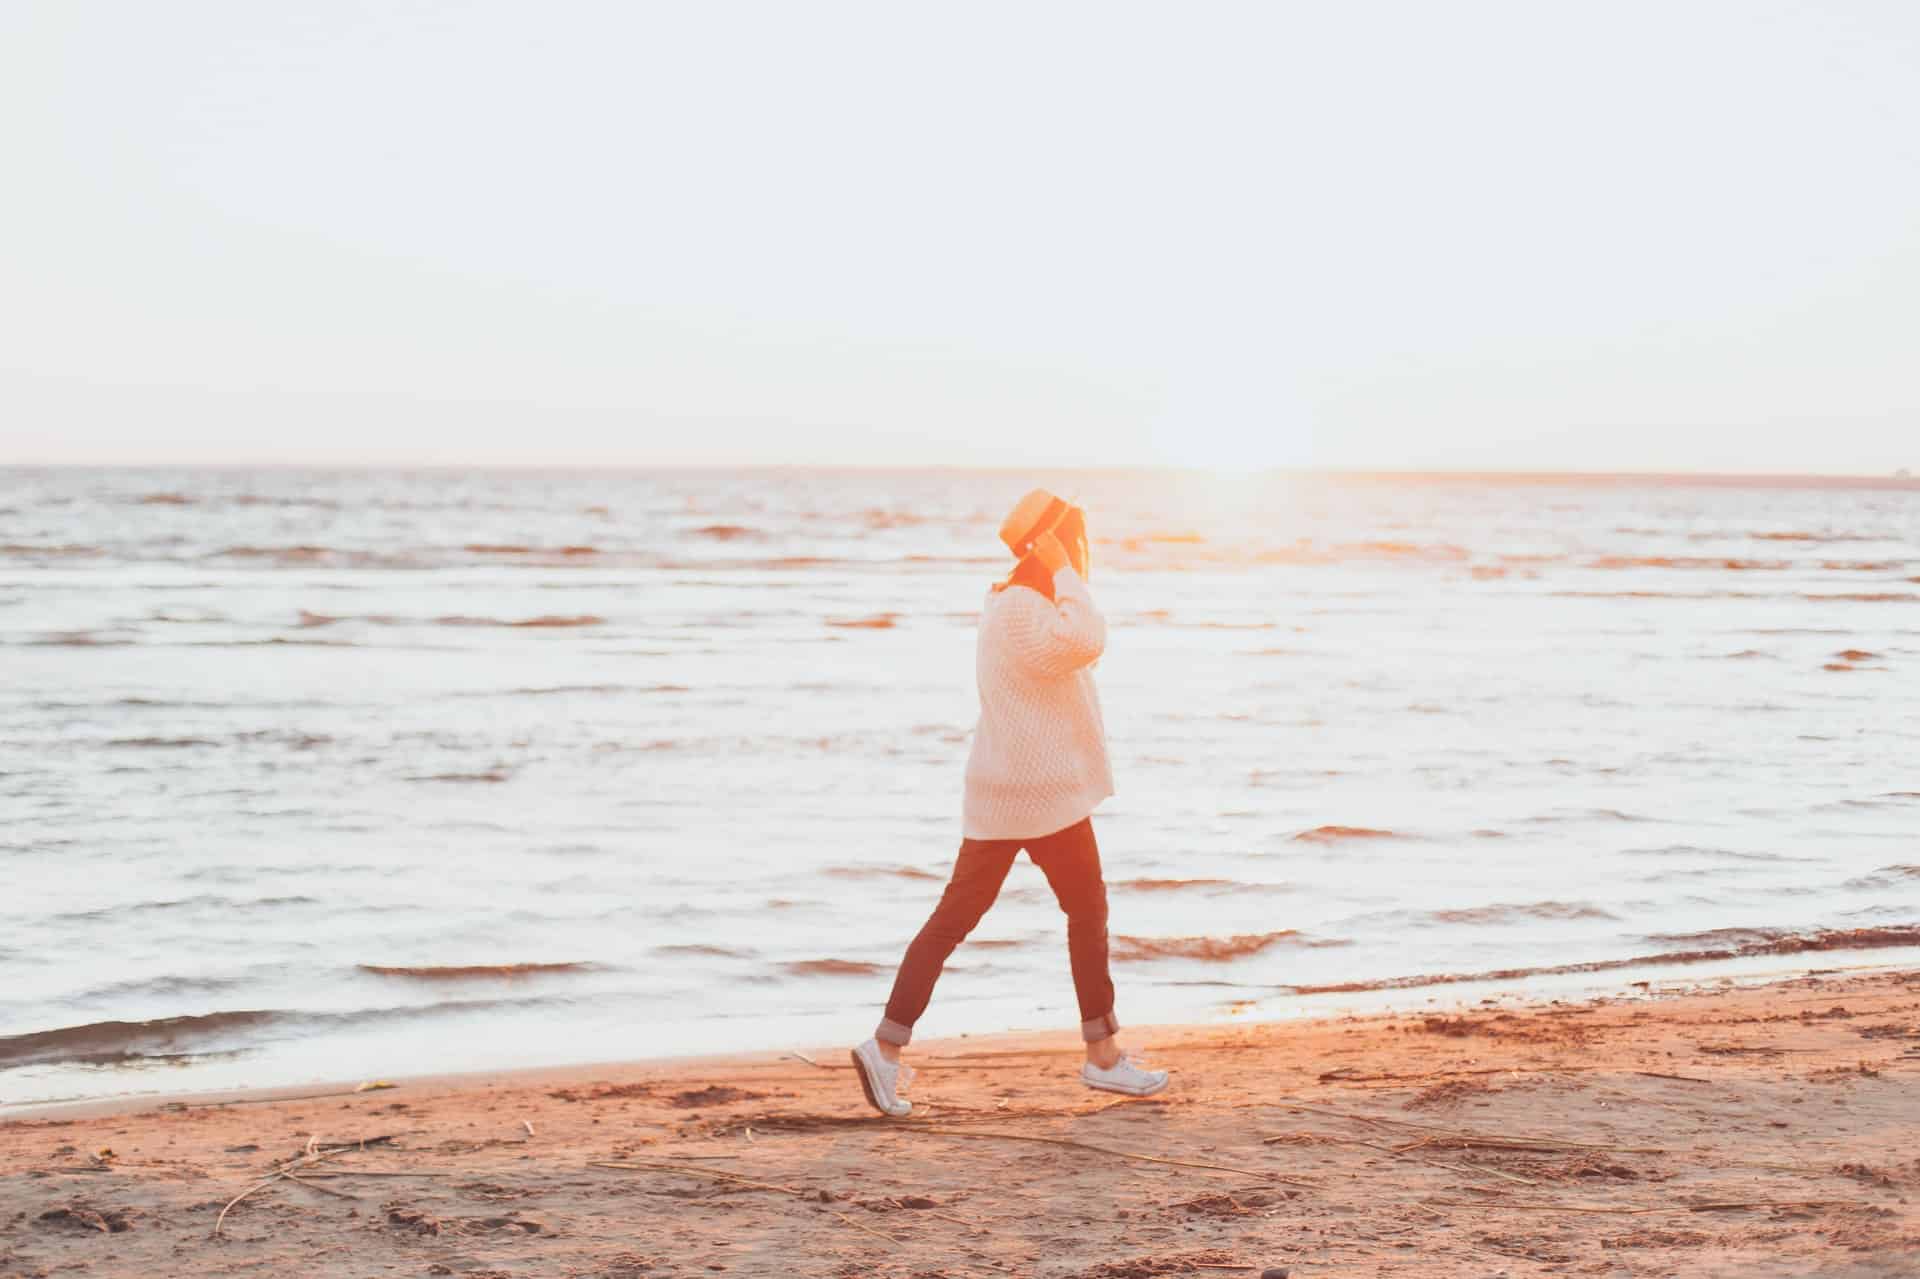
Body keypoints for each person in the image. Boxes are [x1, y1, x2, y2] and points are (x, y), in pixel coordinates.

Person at [849, 488, 1169, 1117]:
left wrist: (1059, 571)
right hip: (1040, 797)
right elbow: (1087, 640)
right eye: (1074, 540)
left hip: (1006, 793)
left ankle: (886, 1048)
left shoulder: (1007, 602)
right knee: (1085, 913)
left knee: (959, 918)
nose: (1083, 553)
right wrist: (1065, 568)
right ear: (1051, 544)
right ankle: (1103, 1058)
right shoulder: (1027, 606)